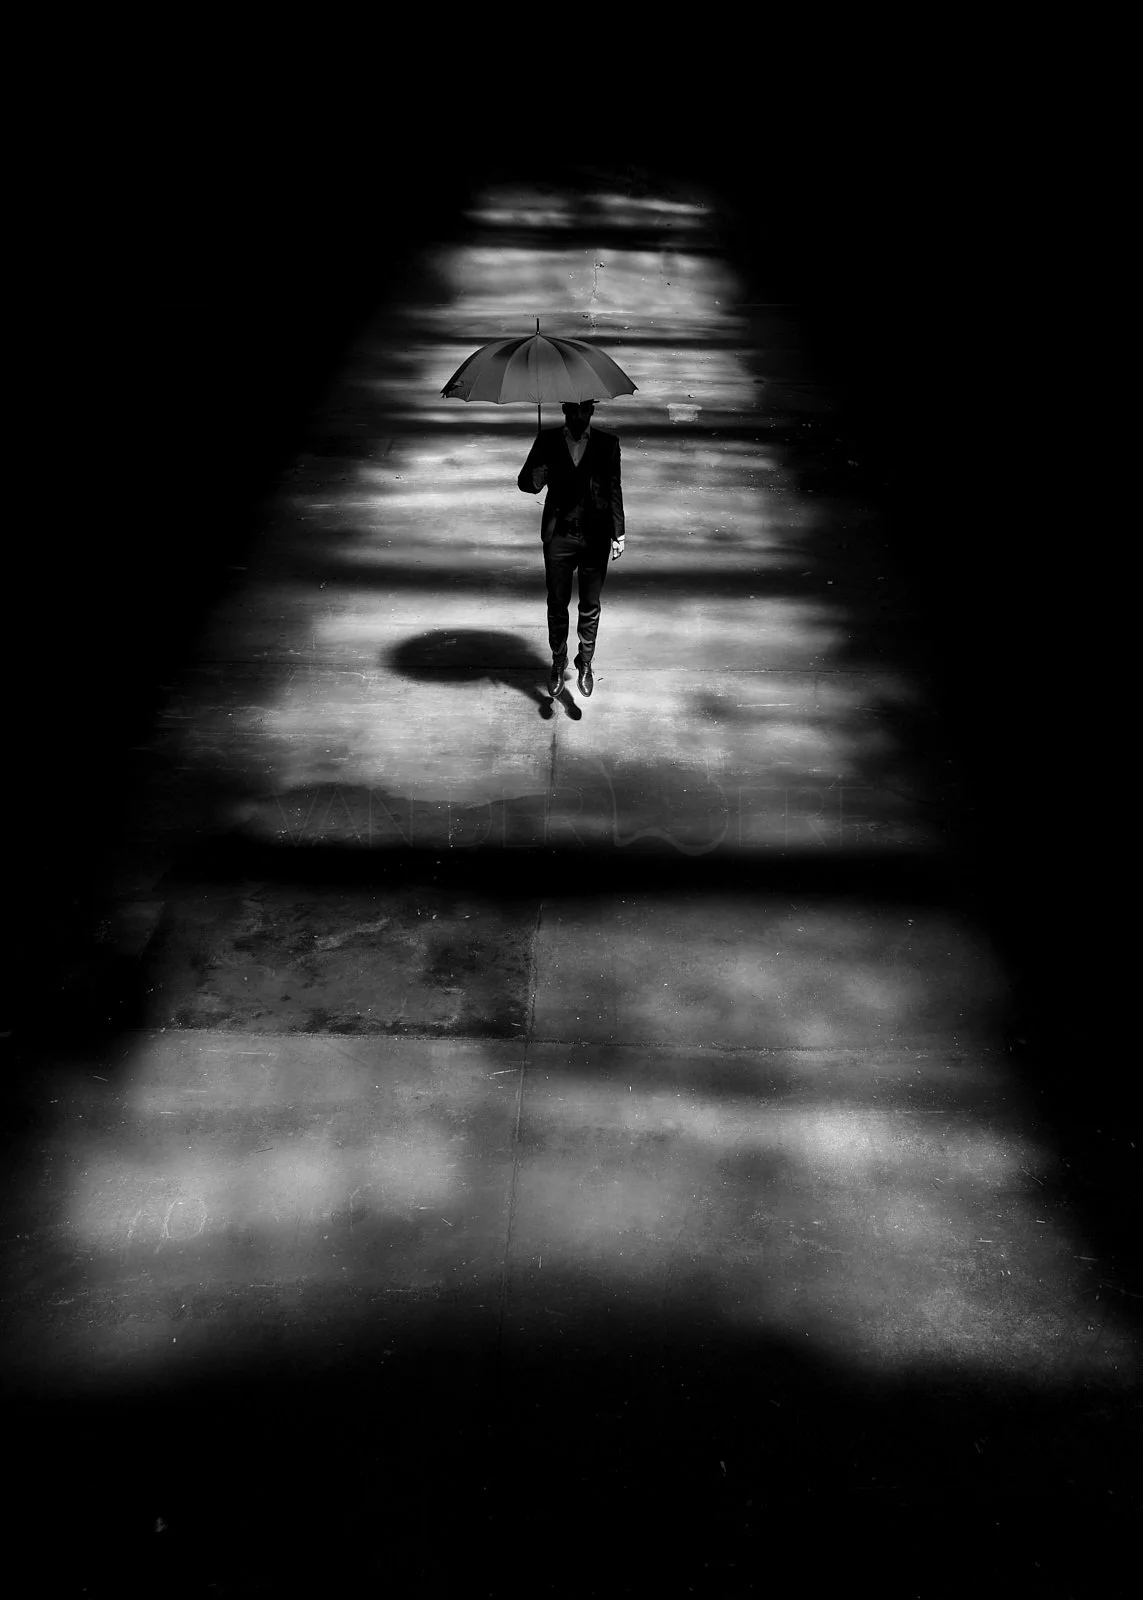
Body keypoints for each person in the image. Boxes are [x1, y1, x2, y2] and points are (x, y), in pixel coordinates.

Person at [517, 400, 626, 698]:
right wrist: (539, 468)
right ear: (565, 411)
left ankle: (585, 661)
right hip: (559, 536)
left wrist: (619, 532)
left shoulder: (607, 443)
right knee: (557, 602)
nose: (579, 416)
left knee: (590, 605)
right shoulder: (547, 440)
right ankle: (557, 660)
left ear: (592, 411)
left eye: (584, 410)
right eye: (573, 410)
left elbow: (614, 488)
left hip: (595, 536)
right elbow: (526, 484)